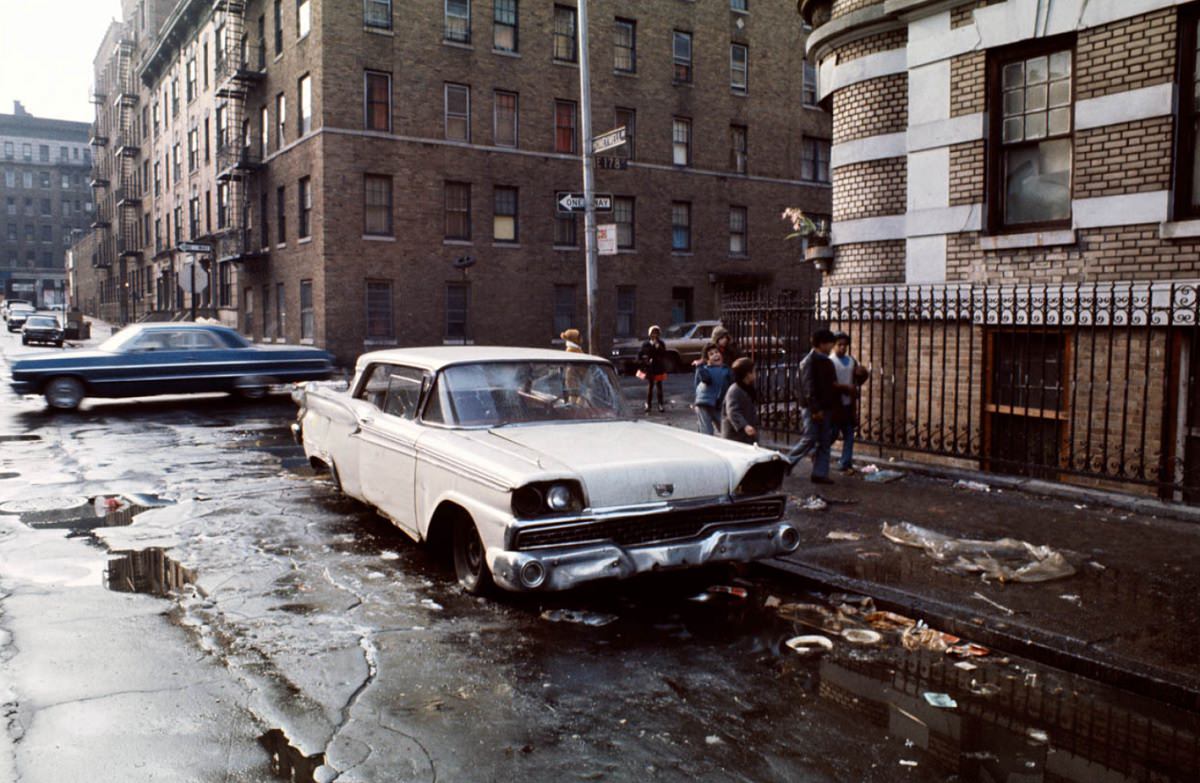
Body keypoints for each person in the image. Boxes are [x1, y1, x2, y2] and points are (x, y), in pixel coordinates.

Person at [784, 329, 839, 484]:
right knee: (810, 438)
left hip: (824, 406)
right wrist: (815, 409)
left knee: (824, 440)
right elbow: (808, 387)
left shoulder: (824, 360)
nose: (831, 347)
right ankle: (786, 463)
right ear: (822, 344)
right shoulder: (810, 362)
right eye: (830, 344)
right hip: (813, 407)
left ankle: (820, 473)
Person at [830, 332, 868, 474]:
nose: (842, 348)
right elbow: (829, 384)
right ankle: (818, 451)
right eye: (839, 345)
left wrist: (862, 374)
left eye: (845, 345)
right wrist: (844, 388)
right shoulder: (831, 361)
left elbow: (859, 378)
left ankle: (846, 462)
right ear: (834, 345)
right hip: (835, 404)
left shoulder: (851, 361)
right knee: (832, 434)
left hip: (848, 404)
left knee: (849, 434)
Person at [693, 343, 733, 436]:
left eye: (717, 352)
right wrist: (699, 367)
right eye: (711, 354)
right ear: (707, 360)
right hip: (704, 404)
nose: (715, 355)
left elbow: (730, 386)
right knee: (706, 432)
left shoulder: (726, 370)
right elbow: (699, 384)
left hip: (718, 404)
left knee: (725, 429)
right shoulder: (704, 370)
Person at [722, 357, 759, 444]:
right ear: (747, 374)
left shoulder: (749, 387)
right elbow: (732, 411)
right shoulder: (734, 390)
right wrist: (744, 426)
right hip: (735, 435)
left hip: (746, 434)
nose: (755, 374)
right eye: (753, 371)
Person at [638, 325, 668, 413]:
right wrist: (644, 361)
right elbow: (641, 354)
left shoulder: (661, 343)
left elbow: (664, 354)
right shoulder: (646, 344)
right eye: (653, 333)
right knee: (650, 386)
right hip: (650, 368)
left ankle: (660, 404)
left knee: (659, 386)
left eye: (656, 333)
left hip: (659, 367)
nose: (655, 335)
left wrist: (658, 346)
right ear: (650, 334)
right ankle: (648, 404)